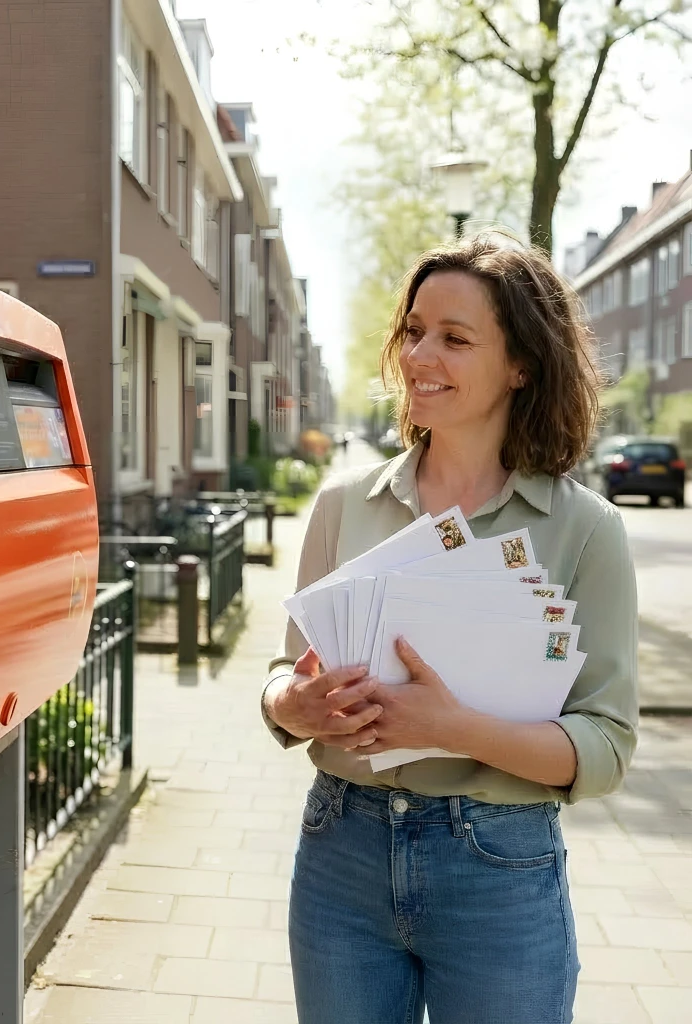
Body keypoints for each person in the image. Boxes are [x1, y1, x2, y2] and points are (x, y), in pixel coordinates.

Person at [261, 235, 638, 1024]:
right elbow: (286, 672)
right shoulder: (342, 506)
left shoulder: (585, 530)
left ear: (522, 365)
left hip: (498, 867)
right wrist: (288, 706)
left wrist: (453, 727)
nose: (419, 354)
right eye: (413, 330)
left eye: (455, 338)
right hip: (341, 852)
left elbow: (603, 750)